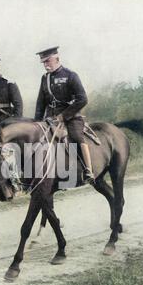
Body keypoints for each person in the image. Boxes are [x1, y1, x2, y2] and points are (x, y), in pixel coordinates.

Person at [34, 46, 95, 185]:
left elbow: (82, 99)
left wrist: (64, 116)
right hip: (50, 118)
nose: (46, 65)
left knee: (76, 137)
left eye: (48, 61)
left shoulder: (70, 75)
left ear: (57, 59)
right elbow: (40, 103)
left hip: (71, 116)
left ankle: (88, 170)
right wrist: (36, 122)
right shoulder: (45, 78)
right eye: (44, 62)